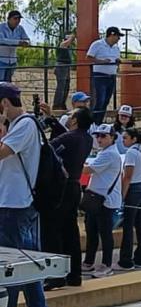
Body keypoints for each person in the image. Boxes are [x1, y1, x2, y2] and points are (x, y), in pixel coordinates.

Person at [0, 82, 51, 307]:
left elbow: (3, 152)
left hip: (15, 206)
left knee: (11, 271)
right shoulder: (19, 126)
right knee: (28, 268)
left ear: (4, 104)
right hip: (16, 204)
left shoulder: (25, 125)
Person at [41, 107, 92, 290]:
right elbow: (66, 138)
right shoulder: (86, 138)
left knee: (52, 231)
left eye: (71, 115)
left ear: (76, 120)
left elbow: (47, 148)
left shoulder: (71, 138)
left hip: (61, 188)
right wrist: (52, 120)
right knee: (70, 231)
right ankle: (74, 273)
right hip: (74, 186)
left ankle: (55, 275)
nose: (68, 117)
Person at [81, 124, 123, 278]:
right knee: (92, 231)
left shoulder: (109, 154)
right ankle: (89, 262)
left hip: (105, 200)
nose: (99, 139)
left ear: (112, 138)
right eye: (97, 136)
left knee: (105, 233)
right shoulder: (103, 152)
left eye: (103, 136)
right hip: (96, 199)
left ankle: (107, 264)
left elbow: (87, 170)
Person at [116, 128, 141, 271]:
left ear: (134, 139)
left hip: (135, 189)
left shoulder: (131, 152)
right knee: (140, 225)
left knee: (128, 226)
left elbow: (128, 176)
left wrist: (122, 196)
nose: (123, 140)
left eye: (125, 138)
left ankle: (125, 260)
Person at [87, 27, 123, 124]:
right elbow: (89, 58)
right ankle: (93, 122)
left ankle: (98, 121)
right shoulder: (97, 44)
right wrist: (101, 62)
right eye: (117, 36)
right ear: (111, 35)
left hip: (111, 76)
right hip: (100, 75)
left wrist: (117, 62)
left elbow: (116, 59)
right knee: (100, 100)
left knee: (106, 101)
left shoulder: (116, 48)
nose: (118, 39)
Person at [0, 10, 30, 83]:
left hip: (12, 60)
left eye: (19, 19)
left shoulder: (20, 28)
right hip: (1, 59)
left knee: (8, 83)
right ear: (9, 19)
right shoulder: (1, 27)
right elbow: (2, 40)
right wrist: (19, 42)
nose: (17, 21)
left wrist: (26, 43)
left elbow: (27, 39)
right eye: (15, 18)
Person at [52, 34, 76, 110]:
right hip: (61, 66)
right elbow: (67, 42)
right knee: (61, 86)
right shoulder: (62, 44)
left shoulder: (69, 47)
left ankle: (62, 103)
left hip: (67, 66)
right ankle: (57, 104)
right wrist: (71, 37)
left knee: (66, 86)